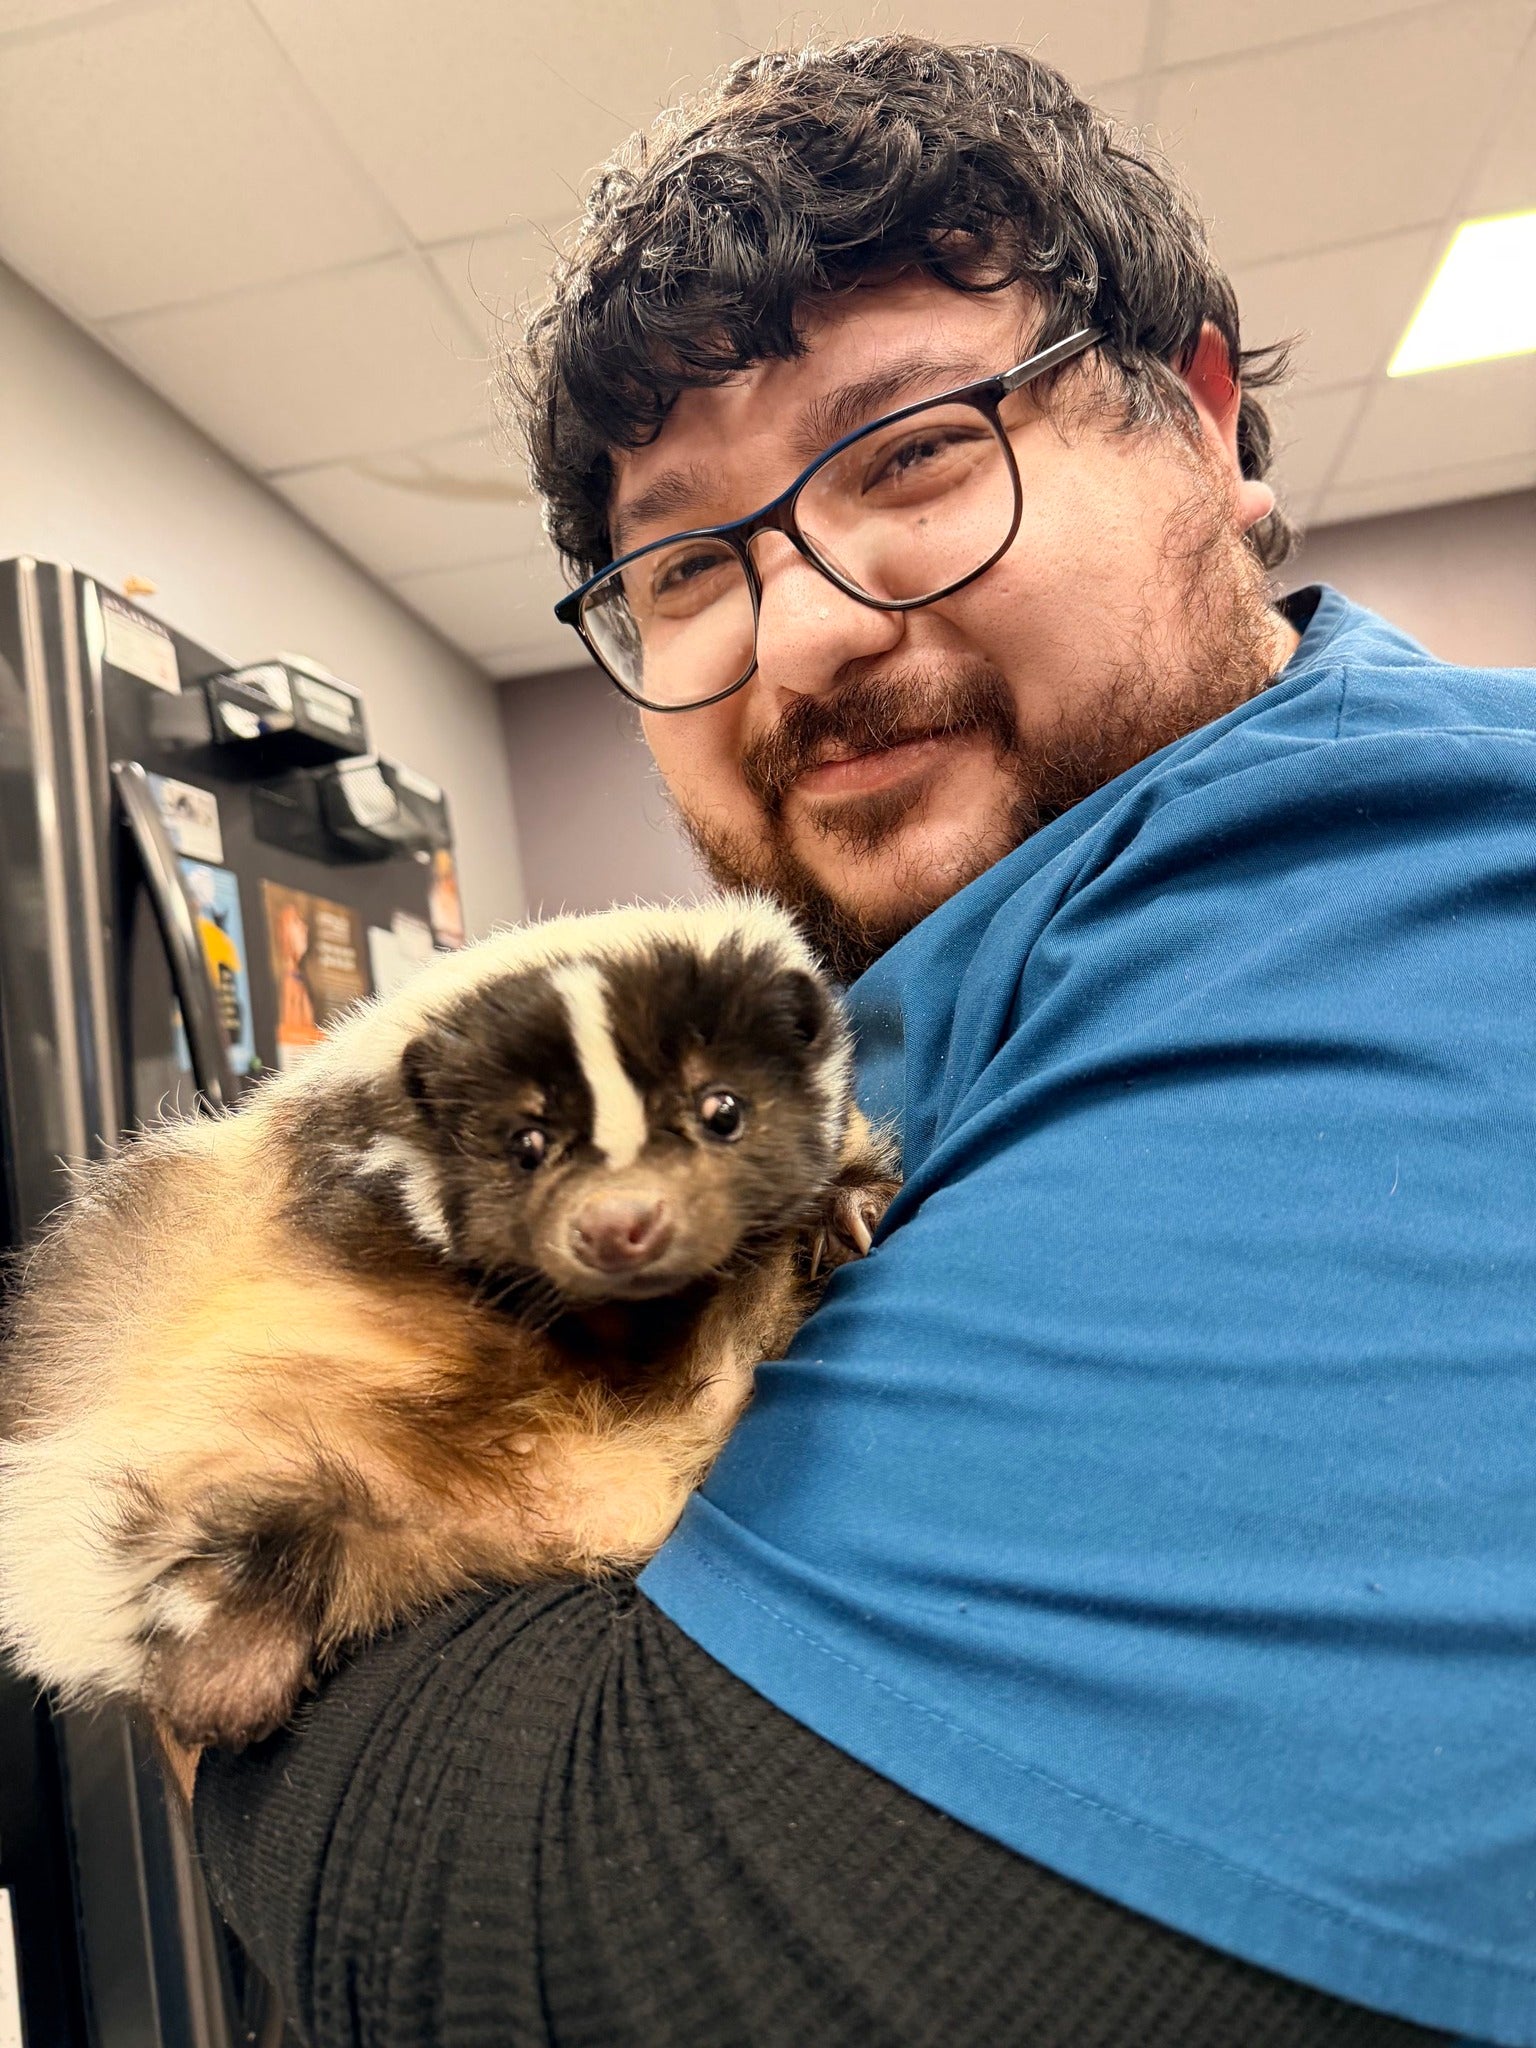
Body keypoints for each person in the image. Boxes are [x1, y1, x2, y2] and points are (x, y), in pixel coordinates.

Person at [186, 38, 1536, 2047]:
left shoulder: (1407, 887)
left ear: (1209, 418)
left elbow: (621, 1938)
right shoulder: (904, 1005)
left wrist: (246, 1650)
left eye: (910, 451)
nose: (801, 630)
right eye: (685, 565)